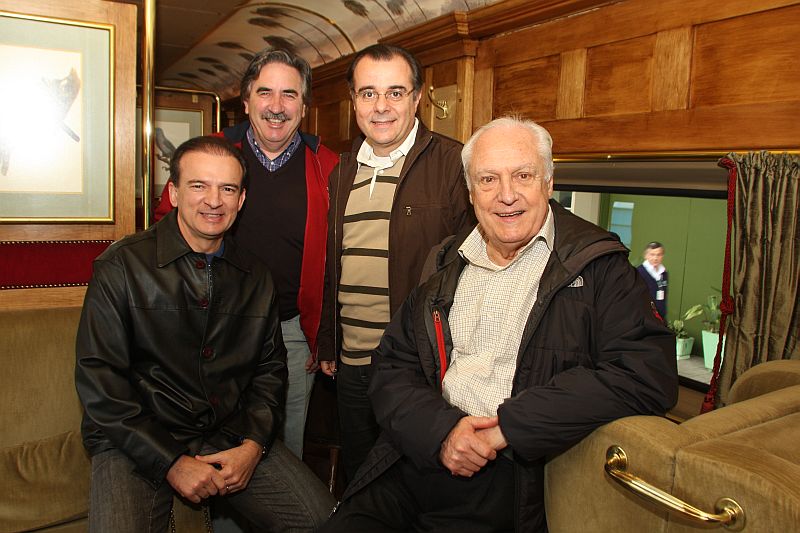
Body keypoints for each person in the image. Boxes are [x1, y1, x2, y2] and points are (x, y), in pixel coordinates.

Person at [318, 117, 678, 532]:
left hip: (511, 477)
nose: (507, 195)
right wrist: (443, 432)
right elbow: (392, 364)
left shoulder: (599, 268)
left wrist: (509, 427)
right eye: (488, 179)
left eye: (523, 175)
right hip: (418, 453)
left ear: (548, 182)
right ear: (471, 193)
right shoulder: (444, 262)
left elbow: (646, 374)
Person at [75, 136, 334, 532]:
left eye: (227, 189)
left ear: (241, 200)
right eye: (199, 185)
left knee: (326, 521)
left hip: (226, 430)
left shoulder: (255, 276)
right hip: (135, 436)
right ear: (174, 193)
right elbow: (100, 381)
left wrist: (253, 445)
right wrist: (171, 462)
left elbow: (270, 371)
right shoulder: (122, 266)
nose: (214, 201)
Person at [153, 49, 338, 460]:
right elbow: (165, 229)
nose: (277, 106)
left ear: (304, 106)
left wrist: (321, 334)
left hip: (291, 334)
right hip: (209, 328)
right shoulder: (210, 154)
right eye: (265, 92)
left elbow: (338, 260)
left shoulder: (327, 167)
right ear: (246, 100)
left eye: (289, 94)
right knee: (209, 444)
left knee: (285, 449)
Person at [316, 43, 475, 482]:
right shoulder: (342, 171)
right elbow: (335, 265)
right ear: (353, 100)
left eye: (395, 92)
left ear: (417, 97)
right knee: (359, 477)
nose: (381, 106)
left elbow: (474, 272)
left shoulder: (454, 164)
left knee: (413, 481)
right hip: (351, 365)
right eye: (368, 93)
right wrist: (330, 342)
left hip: (414, 369)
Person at [637, 241, 668, 320]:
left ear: (662, 256)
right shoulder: (639, 273)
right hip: (644, 318)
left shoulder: (664, 273)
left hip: (660, 317)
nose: (655, 258)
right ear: (646, 255)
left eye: (658, 255)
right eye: (652, 254)